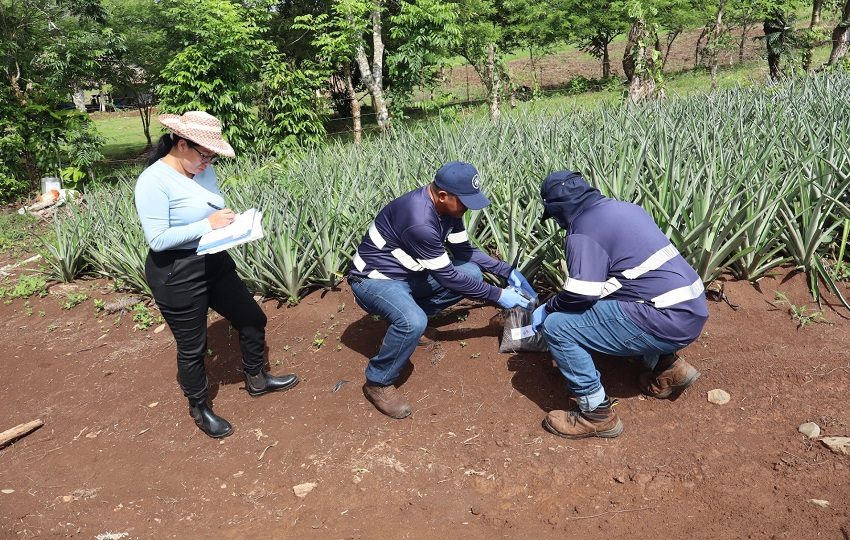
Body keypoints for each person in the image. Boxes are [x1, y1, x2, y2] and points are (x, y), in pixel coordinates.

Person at [134, 111, 299, 439]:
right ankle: (199, 406)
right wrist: (206, 225)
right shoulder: (153, 181)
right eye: (205, 155)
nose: (209, 163)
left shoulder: (202, 170)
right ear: (182, 145)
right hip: (176, 272)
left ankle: (257, 378)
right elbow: (157, 239)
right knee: (193, 346)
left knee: (252, 317)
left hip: (213, 261)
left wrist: (231, 223)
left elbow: (209, 209)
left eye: (213, 156)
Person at [348, 161, 536, 419]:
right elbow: (448, 278)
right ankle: (378, 382)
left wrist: (507, 271)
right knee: (412, 321)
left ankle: (411, 322)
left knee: (470, 271)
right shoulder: (419, 221)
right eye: (465, 201)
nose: (468, 208)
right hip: (374, 280)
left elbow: (464, 253)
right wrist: (500, 295)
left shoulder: (450, 211)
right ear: (443, 195)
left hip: (409, 273)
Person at [531, 170, 707, 439]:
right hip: (692, 307)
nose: (557, 223)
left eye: (554, 216)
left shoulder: (583, 231)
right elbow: (625, 276)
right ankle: (669, 367)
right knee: (616, 302)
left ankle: (595, 414)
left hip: (664, 318)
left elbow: (581, 295)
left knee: (559, 326)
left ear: (559, 209)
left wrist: (549, 307)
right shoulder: (625, 209)